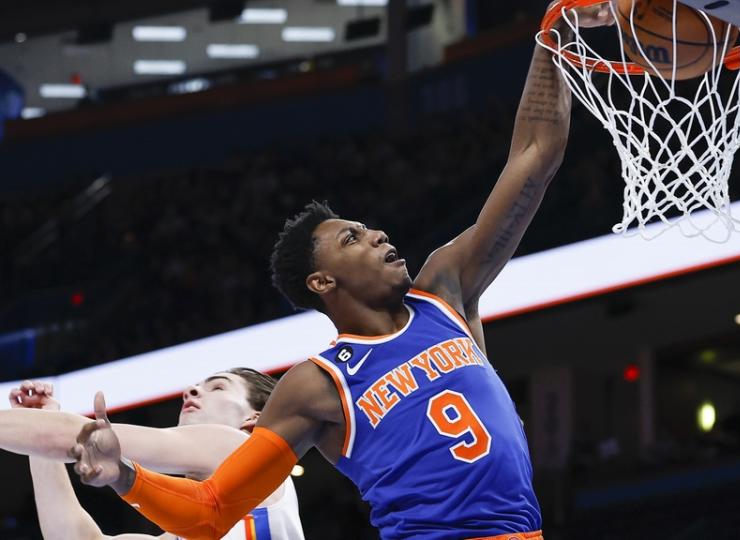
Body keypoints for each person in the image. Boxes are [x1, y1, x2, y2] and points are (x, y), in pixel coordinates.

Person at [69, 4, 614, 539]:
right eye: (351, 238)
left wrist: (554, 36)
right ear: (322, 282)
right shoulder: (317, 384)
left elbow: (536, 156)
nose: (377, 234)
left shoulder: (445, 289)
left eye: (368, 228)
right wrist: (124, 476)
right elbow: (212, 510)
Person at [2, 370, 304, 539]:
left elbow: (78, 436)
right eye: (195, 385)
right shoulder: (181, 533)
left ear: (254, 417)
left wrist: (42, 428)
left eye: (218, 388)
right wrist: (39, 440)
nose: (190, 390)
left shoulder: (241, 447)